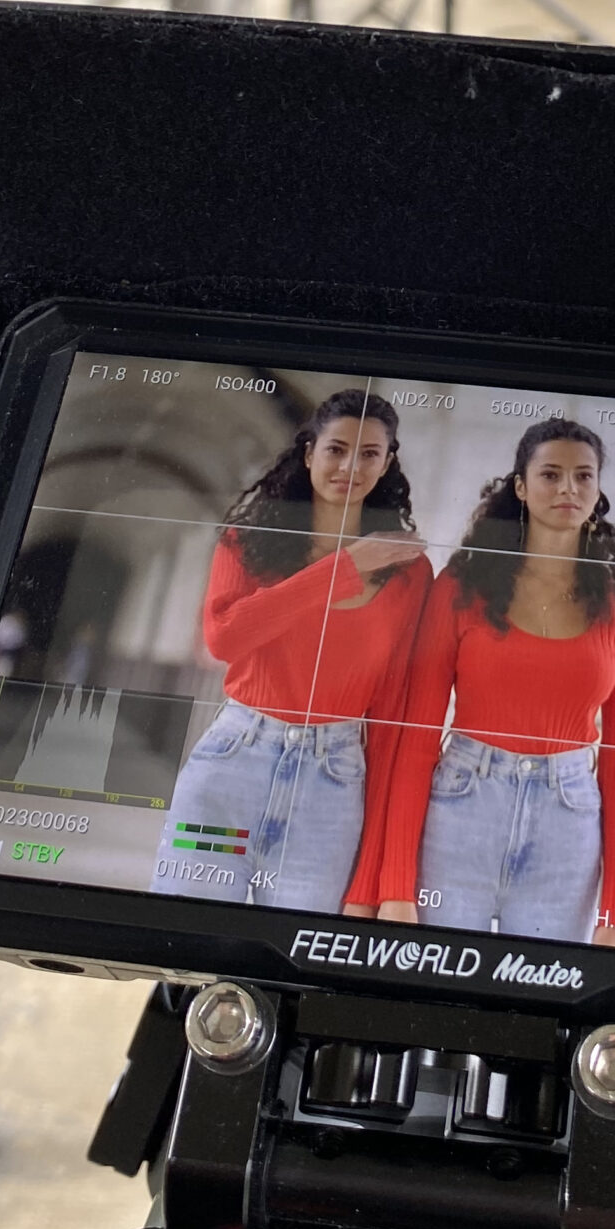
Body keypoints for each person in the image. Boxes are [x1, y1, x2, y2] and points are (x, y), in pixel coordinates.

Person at [153, 389, 429, 916]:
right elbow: (224, 638)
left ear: (388, 462)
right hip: (231, 772)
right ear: (309, 453)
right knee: (188, 943)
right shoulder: (249, 540)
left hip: (332, 792)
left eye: (370, 453)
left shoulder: (408, 573)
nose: (351, 466)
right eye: (337, 449)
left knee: (299, 961)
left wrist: (375, 883)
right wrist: (346, 567)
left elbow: (395, 721)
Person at [375, 419, 615, 944]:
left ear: (597, 490)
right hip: (461, 807)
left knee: (544, 1001)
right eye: (551, 474)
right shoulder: (461, 587)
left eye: (583, 477)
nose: (568, 488)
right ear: (521, 487)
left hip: (567, 824)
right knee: (439, 990)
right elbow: (416, 737)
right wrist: (396, 886)